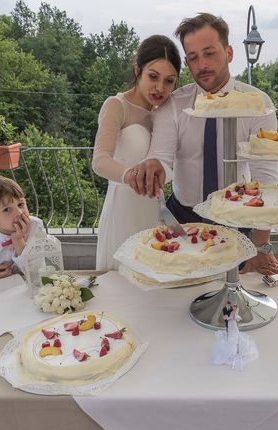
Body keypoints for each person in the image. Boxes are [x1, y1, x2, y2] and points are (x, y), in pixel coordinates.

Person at [126, 13, 278, 276]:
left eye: (209, 53)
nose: (201, 64)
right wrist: (152, 165)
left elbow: (266, 177)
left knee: (235, 296)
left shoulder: (257, 103)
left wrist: (262, 246)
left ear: (228, 52)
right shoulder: (175, 104)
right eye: (192, 57)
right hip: (182, 220)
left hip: (239, 220)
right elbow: (161, 155)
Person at [91, 35, 182, 270]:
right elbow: (100, 161)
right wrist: (132, 175)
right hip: (123, 209)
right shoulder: (116, 105)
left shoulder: (167, 112)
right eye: (153, 76)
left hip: (155, 209)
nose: (160, 88)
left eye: (169, 81)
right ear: (136, 70)